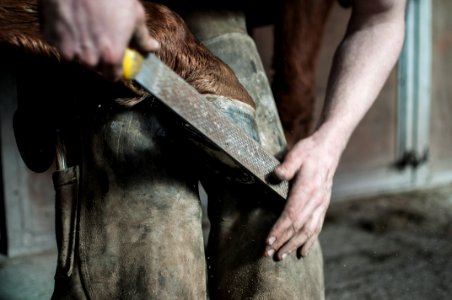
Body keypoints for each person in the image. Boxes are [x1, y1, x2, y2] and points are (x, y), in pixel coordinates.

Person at [36, 0, 407, 298]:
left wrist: (330, 141)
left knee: (279, 232)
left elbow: (381, 17)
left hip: (216, 13)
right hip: (113, 23)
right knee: (146, 254)